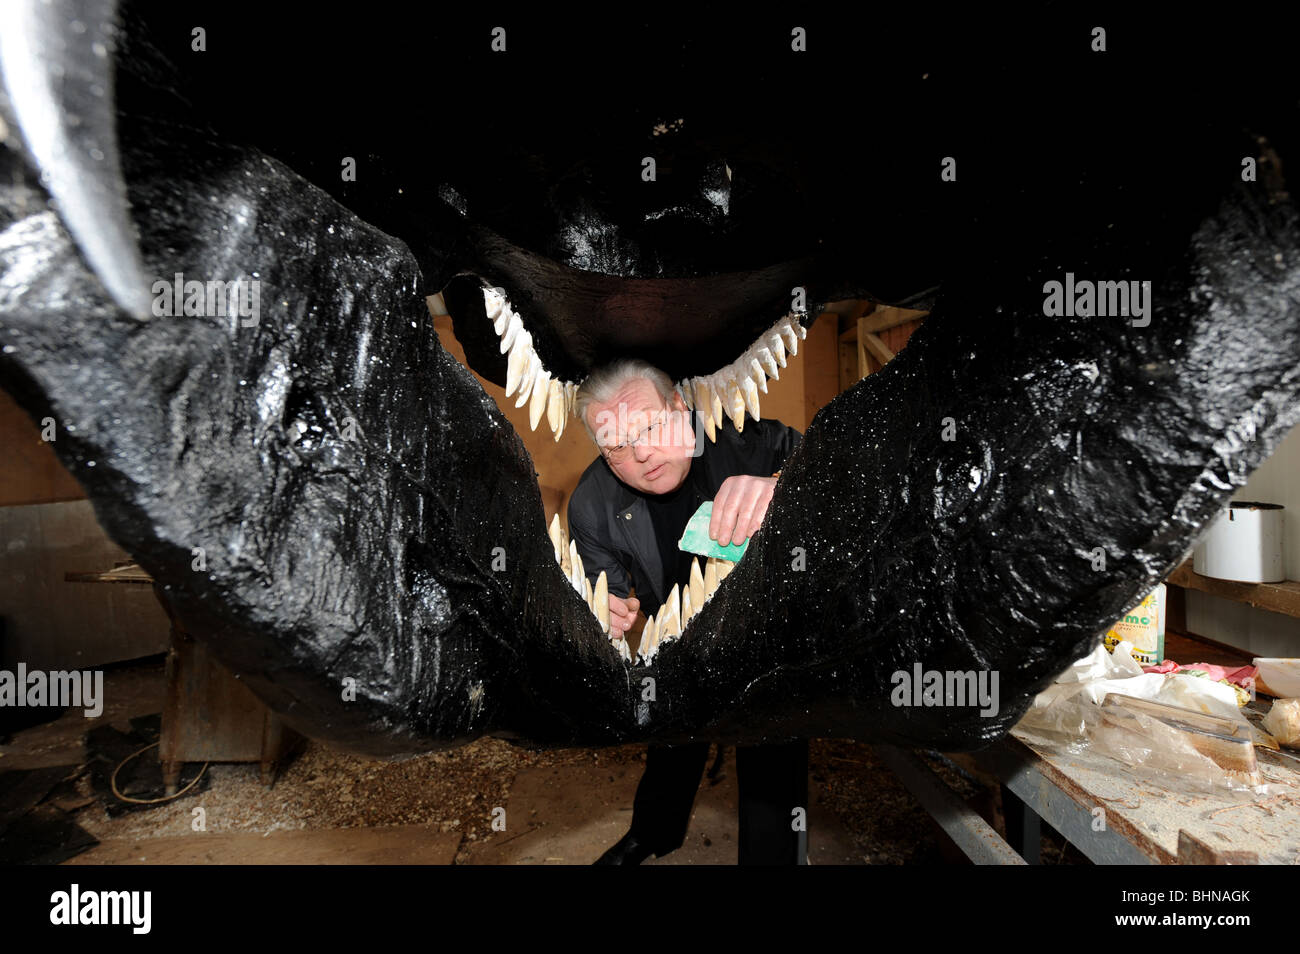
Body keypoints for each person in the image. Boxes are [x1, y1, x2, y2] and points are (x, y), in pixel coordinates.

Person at [566, 357, 808, 865]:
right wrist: (604, 611)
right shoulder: (591, 503)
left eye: (650, 426)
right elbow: (606, 588)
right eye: (617, 447)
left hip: (764, 633)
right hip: (678, 636)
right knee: (671, 736)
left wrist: (782, 484)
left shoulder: (745, 440)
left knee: (772, 756)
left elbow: (836, 469)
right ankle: (653, 833)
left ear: (679, 406)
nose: (643, 454)